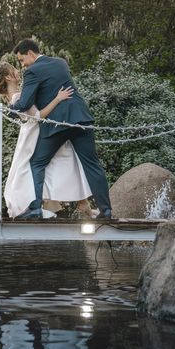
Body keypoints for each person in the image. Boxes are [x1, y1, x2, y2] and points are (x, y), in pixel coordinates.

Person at [8, 39, 112, 219]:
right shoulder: (61, 63)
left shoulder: (32, 71)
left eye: (22, 59)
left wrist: (6, 112)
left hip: (57, 124)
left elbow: (25, 103)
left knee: (37, 163)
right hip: (81, 119)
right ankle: (106, 210)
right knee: (92, 164)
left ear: (31, 54)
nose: (22, 64)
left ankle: (35, 208)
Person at [0, 61, 96, 219]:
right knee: (65, 162)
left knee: (57, 165)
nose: (19, 72)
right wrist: (58, 99)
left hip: (31, 134)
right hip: (36, 133)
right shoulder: (18, 96)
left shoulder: (13, 97)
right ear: (8, 77)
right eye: (15, 70)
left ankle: (66, 204)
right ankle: (78, 204)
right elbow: (39, 116)